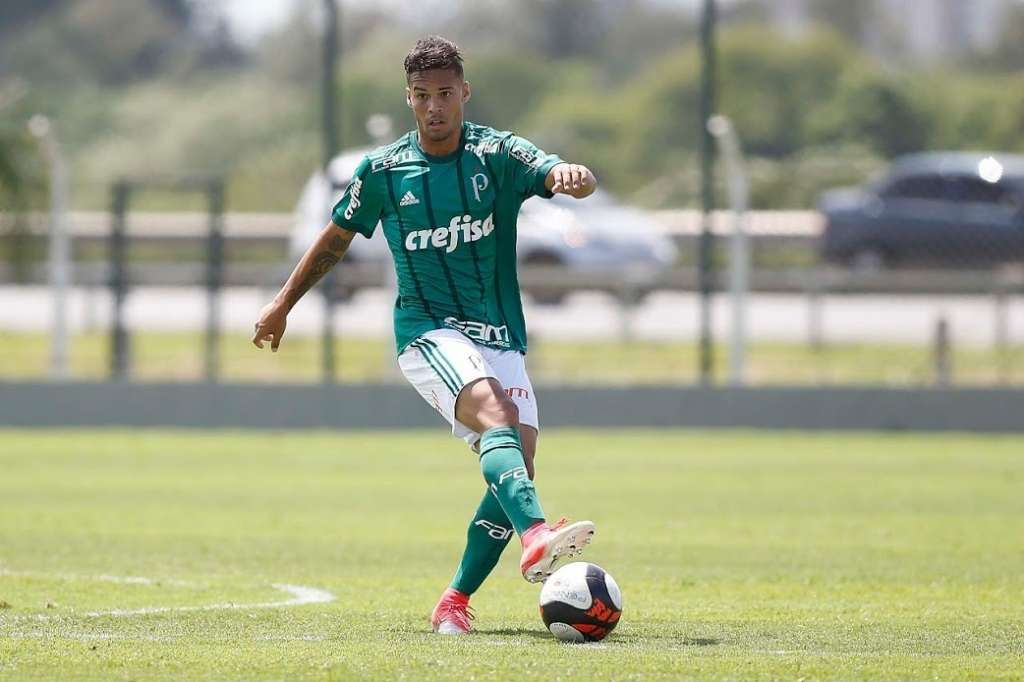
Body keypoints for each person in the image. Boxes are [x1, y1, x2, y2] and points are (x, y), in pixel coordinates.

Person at [252, 35, 598, 635]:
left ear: (464, 92)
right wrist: (283, 304)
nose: (434, 106)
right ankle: (537, 534)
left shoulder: (496, 153)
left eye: (444, 93)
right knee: (495, 417)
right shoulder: (386, 170)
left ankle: (454, 602)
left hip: (501, 333)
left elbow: (559, 172)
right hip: (428, 332)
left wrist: (574, 175)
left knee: (520, 459)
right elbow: (336, 237)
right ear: (408, 99)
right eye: (421, 96)